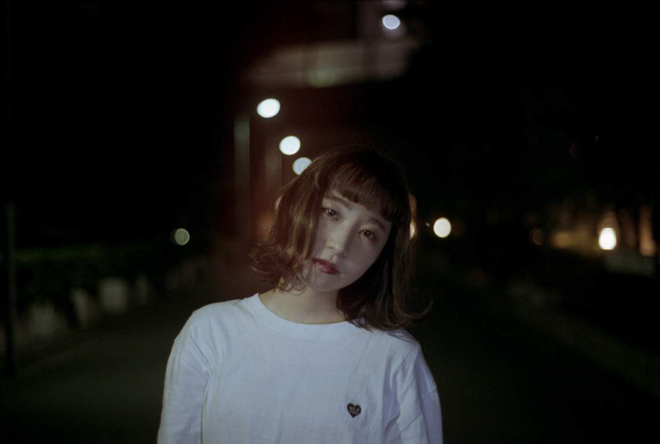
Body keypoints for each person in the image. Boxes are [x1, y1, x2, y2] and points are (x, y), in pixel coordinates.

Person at [157, 146, 443, 443]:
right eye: (331, 212)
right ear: (288, 206)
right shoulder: (210, 333)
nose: (339, 245)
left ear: (382, 255)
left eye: (369, 233)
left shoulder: (395, 358)